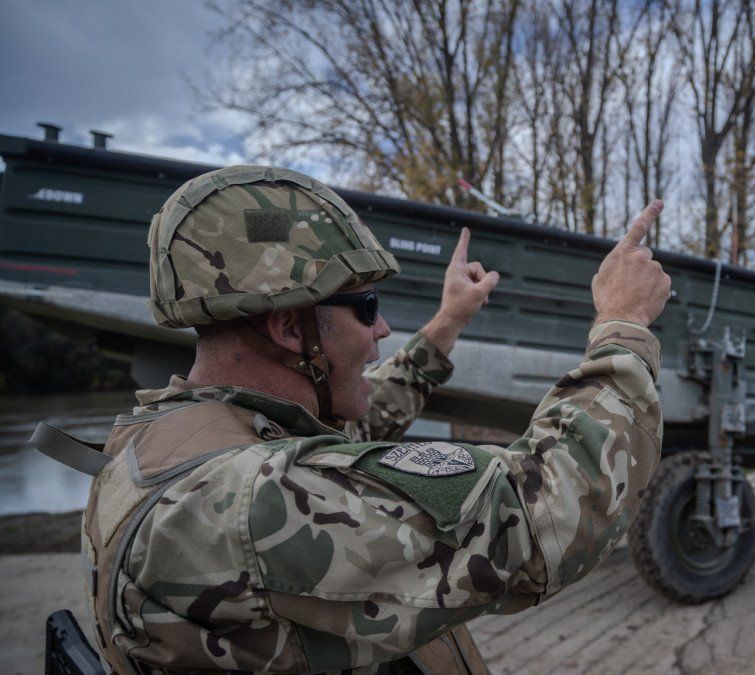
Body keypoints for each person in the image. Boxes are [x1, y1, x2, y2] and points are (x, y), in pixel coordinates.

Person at [70, 165, 670, 673]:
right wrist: (623, 324)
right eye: (366, 308)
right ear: (287, 327)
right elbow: (552, 508)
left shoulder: (177, 435)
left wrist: (447, 324)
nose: (383, 329)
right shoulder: (249, 501)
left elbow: (358, 424)